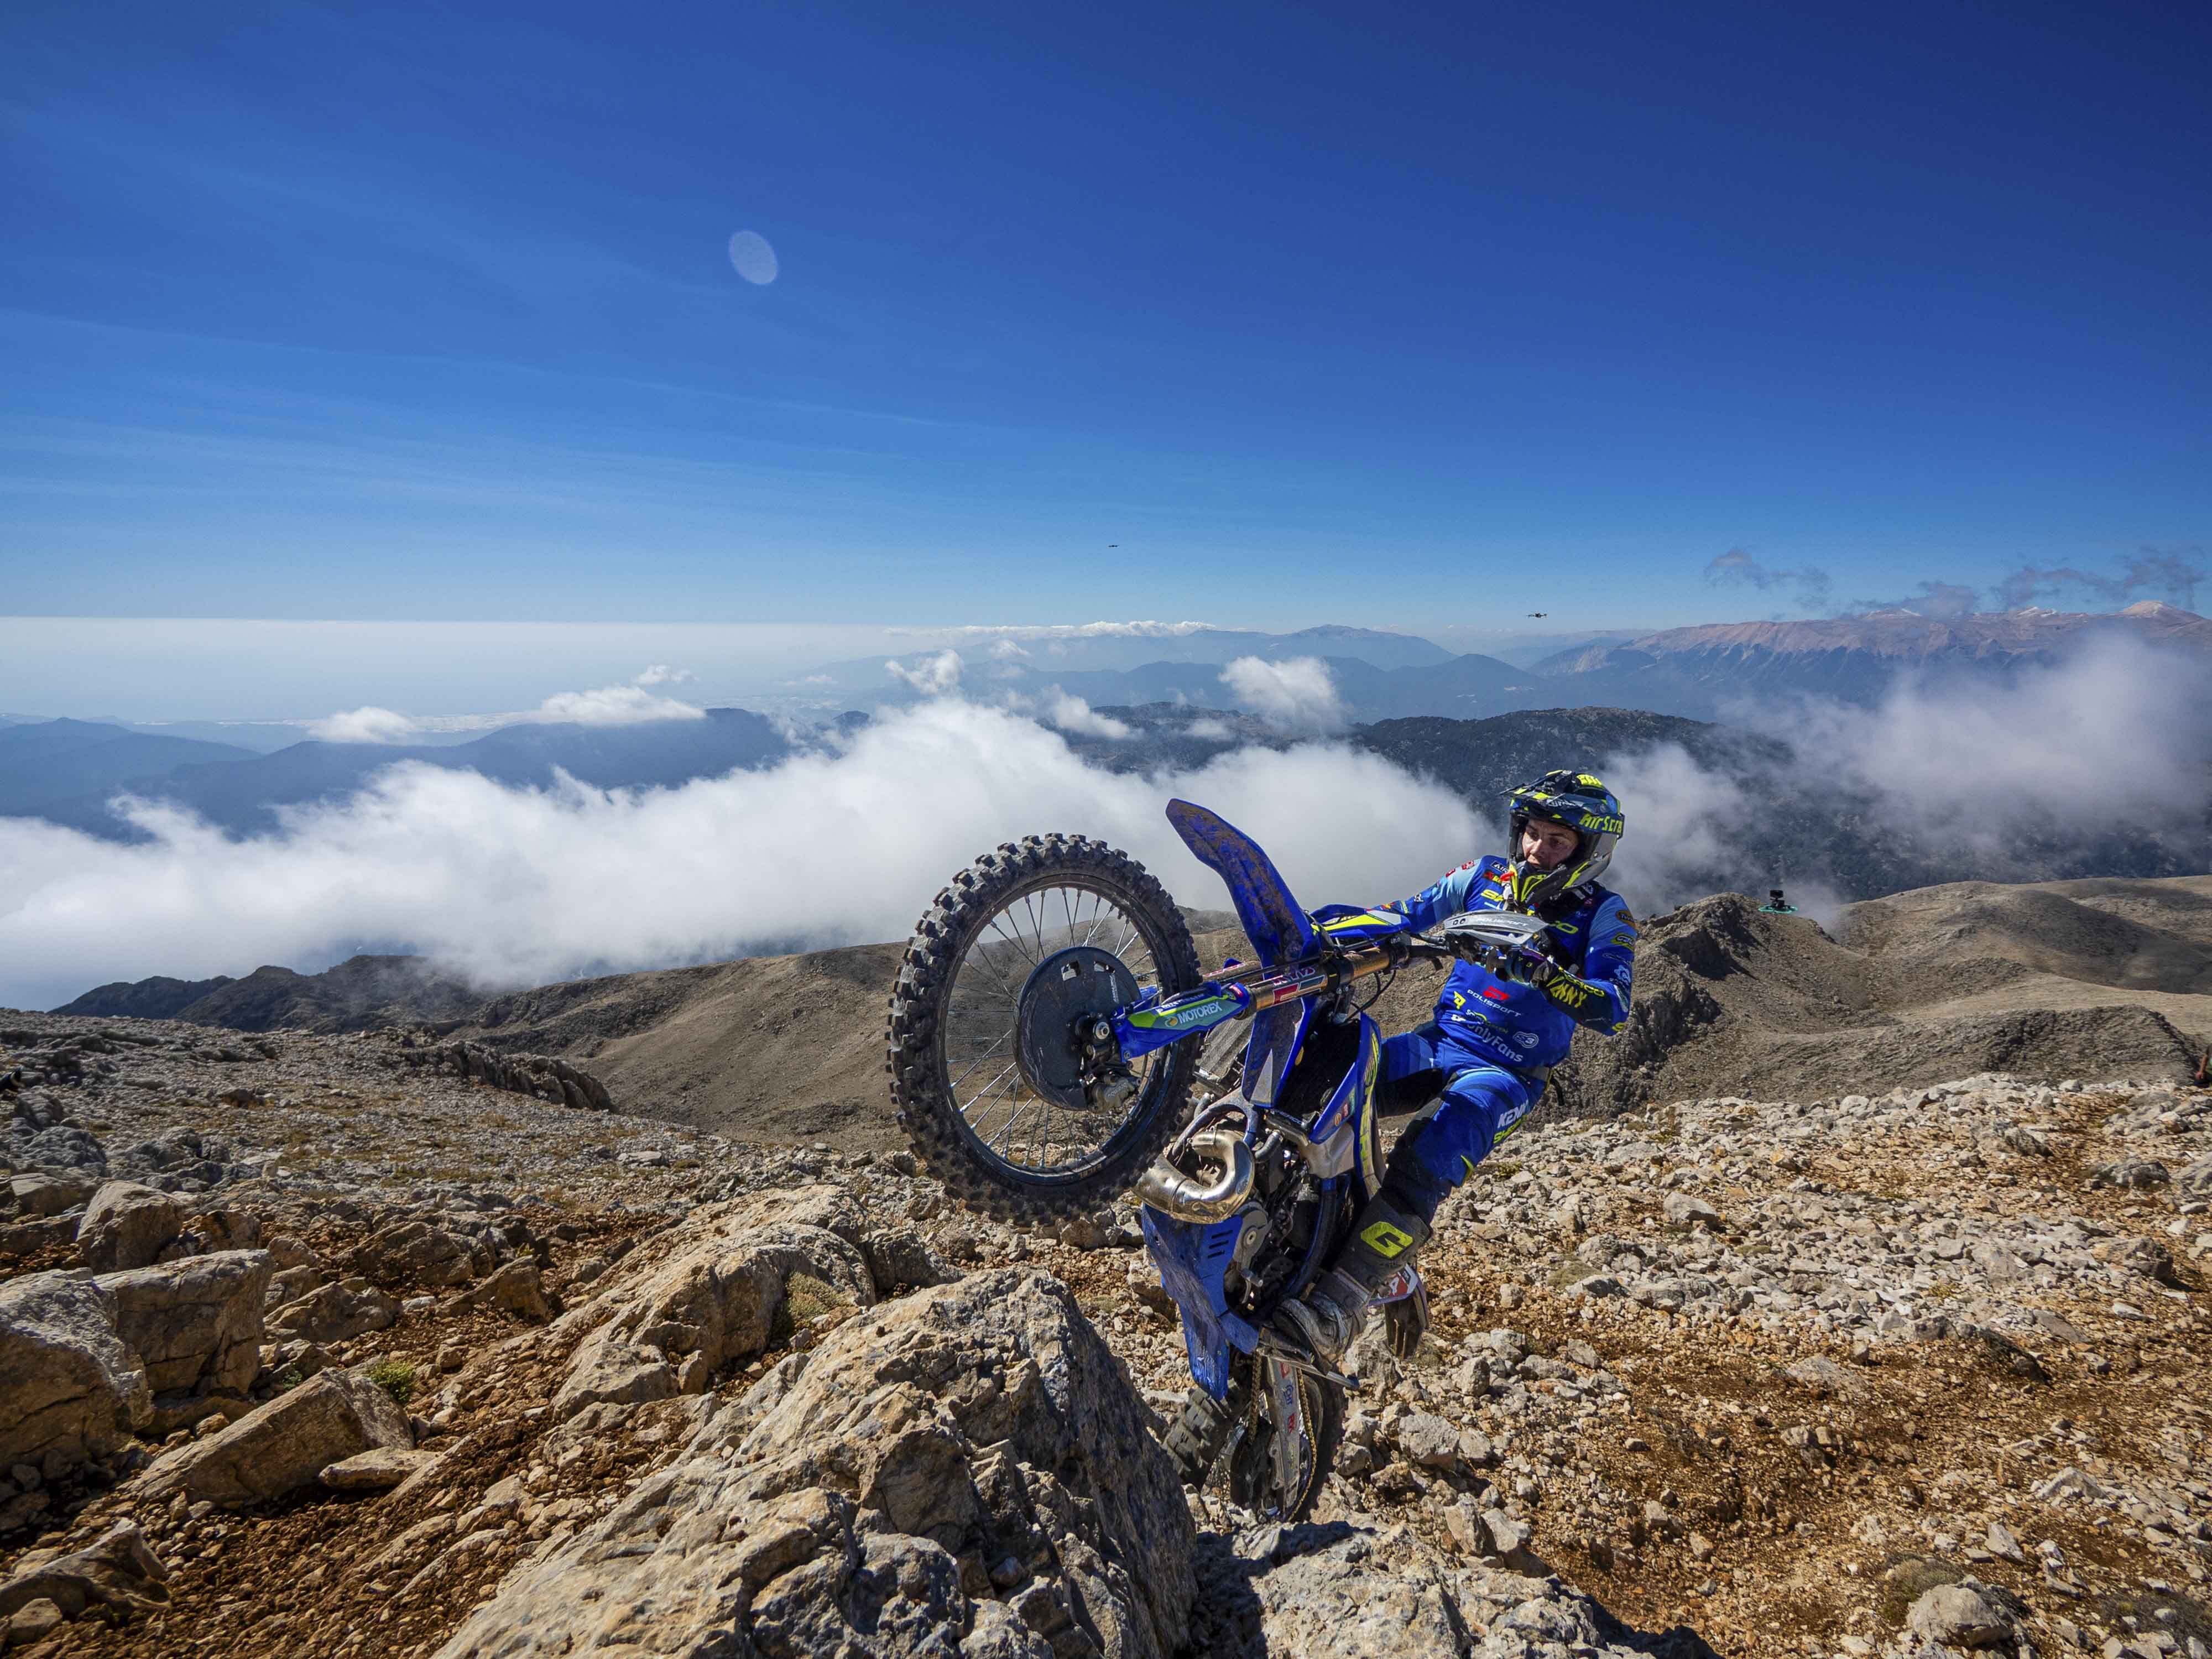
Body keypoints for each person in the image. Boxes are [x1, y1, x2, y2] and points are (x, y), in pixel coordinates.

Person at [1272, 770, 1638, 1367]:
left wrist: (1543, 973)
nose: (1536, 850)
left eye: (1557, 842)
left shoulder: (1605, 914)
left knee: (1429, 1154)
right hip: (1438, 1042)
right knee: (1324, 1088)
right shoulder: (1483, 876)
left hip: (1508, 1074)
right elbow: (1405, 914)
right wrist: (1316, 933)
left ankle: (1338, 1307)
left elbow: (1613, 1010)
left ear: (1588, 852)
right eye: (1532, 833)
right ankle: (1285, 1219)